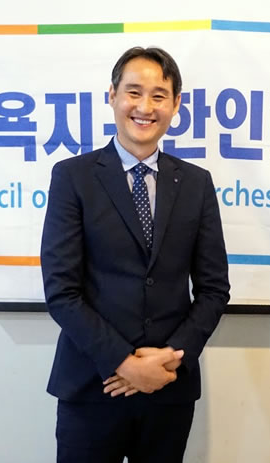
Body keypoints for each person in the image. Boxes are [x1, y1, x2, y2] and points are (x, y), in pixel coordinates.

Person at [40, 46, 230, 463]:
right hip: (92, 386)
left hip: (168, 388)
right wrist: (123, 363)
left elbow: (215, 290)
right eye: (133, 92)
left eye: (159, 96)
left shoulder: (196, 183)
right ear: (112, 96)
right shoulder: (73, 177)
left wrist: (169, 359)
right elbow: (61, 291)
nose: (145, 107)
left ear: (175, 105)